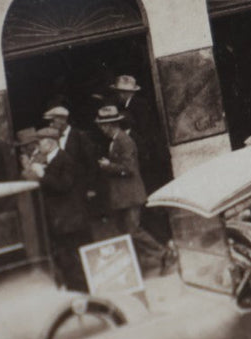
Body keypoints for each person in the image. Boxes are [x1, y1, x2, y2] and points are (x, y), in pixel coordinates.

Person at [90, 105, 163, 262]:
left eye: (102, 125)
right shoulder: (116, 140)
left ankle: (163, 254)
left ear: (109, 125)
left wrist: (108, 166)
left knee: (133, 230)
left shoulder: (124, 141)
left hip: (130, 195)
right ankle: (148, 259)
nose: (101, 129)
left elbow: (129, 169)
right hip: (125, 196)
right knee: (128, 231)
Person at [27, 124, 92, 291]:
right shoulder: (52, 161)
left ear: (50, 143)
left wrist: (43, 175)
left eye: (39, 143)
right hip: (61, 220)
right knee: (67, 258)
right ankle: (77, 288)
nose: (38, 147)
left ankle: (82, 290)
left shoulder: (64, 160)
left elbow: (64, 185)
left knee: (72, 257)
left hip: (70, 220)